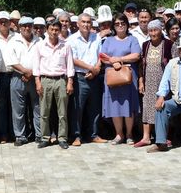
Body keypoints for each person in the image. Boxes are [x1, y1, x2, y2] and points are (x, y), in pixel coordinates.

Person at [100, 15, 142, 144]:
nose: (120, 25)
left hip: (128, 77)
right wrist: (113, 62)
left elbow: (136, 55)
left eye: (122, 23)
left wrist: (119, 59)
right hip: (112, 77)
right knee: (114, 105)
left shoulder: (132, 39)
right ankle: (119, 134)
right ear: (113, 26)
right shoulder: (108, 40)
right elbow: (102, 56)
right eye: (117, 23)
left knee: (128, 105)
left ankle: (129, 134)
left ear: (127, 24)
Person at [33, 20, 74, 149]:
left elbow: (70, 65)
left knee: (62, 112)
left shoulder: (66, 45)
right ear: (47, 30)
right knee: (44, 111)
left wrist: (70, 82)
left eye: (56, 30)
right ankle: (45, 138)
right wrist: (38, 82)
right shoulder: (40, 45)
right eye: (51, 29)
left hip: (61, 80)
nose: (54, 32)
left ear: (60, 31)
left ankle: (62, 138)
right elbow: (36, 66)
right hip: (45, 80)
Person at [68, 12, 106, 145]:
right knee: (77, 108)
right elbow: (73, 59)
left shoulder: (97, 38)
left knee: (95, 107)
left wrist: (96, 70)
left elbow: (101, 56)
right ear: (78, 24)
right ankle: (76, 136)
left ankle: (93, 134)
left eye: (88, 22)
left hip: (94, 77)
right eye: (83, 22)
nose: (86, 24)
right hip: (80, 77)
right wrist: (91, 68)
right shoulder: (72, 39)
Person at [136, 19, 174, 147]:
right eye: (150, 30)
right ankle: (146, 137)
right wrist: (141, 81)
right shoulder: (145, 45)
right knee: (147, 108)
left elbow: (174, 64)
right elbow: (141, 65)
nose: (153, 33)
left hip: (163, 82)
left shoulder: (168, 44)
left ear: (160, 30)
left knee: (162, 108)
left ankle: (163, 137)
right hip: (148, 82)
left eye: (155, 30)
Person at [5, 17, 41, 146]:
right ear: (19, 27)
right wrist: (25, 72)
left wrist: (31, 73)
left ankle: (39, 134)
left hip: (36, 77)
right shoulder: (13, 41)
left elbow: (43, 59)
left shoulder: (39, 40)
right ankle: (20, 136)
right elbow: (11, 61)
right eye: (24, 26)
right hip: (18, 77)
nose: (27, 28)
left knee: (37, 107)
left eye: (29, 25)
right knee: (18, 109)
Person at [0, 11, 15, 143]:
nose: (3, 23)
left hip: (15, 74)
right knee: (1, 106)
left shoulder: (16, 36)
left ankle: (14, 133)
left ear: (10, 22)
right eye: (0, 21)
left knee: (14, 105)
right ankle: (3, 134)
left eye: (5, 21)